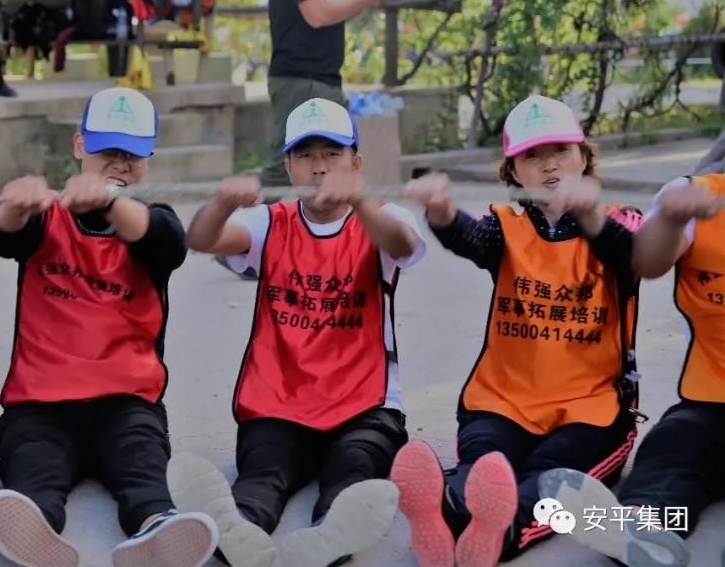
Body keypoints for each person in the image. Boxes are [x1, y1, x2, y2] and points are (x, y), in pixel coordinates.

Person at [392, 95, 644, 567]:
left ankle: (496, 531)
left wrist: (589, 215)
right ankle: (446, 512)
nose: (549, 165)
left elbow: (633, 256)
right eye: (532, 156)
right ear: (513, 172)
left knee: (552, 478)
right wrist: (440, 211)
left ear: (584, 156)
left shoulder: (621, 219)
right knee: (486, 465)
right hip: (502, 401)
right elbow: (470, 238)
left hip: (590, 410)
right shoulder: (506, 226)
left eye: (561, 150)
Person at [172, 97, 426, 567]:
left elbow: (402, 244)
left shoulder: (385, 217)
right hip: (277, 403)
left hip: (365, 405)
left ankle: (328, 539)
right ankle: (237, 530)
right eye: (306, 155)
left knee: (355, 469)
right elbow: (201, 239)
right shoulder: (268, 222)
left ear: (356, 163)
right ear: (288, 167)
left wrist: (359, 201)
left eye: (331, 154)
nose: (319, 167)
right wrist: (223, 203)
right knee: (262, 474)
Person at [0, 87, 218, 567]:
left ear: (148, 159)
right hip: (40, 403)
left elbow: (165, 242)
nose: (120, 164)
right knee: (34, 468)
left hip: (127, 402)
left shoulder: (154, 220)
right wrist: (13, 206)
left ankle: (158, 527)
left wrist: (109, 202)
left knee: (143, 465)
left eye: (132, 155)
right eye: (108, 150)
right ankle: (37, 532)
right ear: (79, 145)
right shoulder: (44, 216)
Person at [536, 173, 725, 567]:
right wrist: (671, 219)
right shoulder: (696, 193)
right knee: (672, 447)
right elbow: (646, 262)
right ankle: (642, 528)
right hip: (713, 402)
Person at [259, 0, 399, 189]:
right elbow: (317, 14)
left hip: (321, 80)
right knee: (283, 171)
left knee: (336, 167)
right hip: (301, 81)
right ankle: (240, 219)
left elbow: (328, 11)